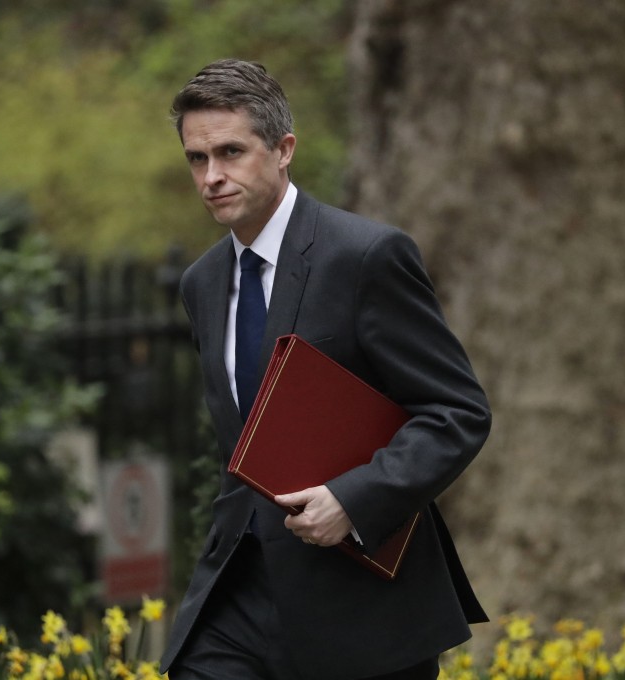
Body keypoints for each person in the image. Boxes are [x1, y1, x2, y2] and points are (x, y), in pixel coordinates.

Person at [160, 58, 491, 680]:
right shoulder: (201, 283)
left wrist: (353, 497)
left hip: (359, 603)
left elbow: (457, 414)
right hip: (238, 596)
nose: (212, 176)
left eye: (231, 152)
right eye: (197, 159)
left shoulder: (366, 256)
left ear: (284, 149)